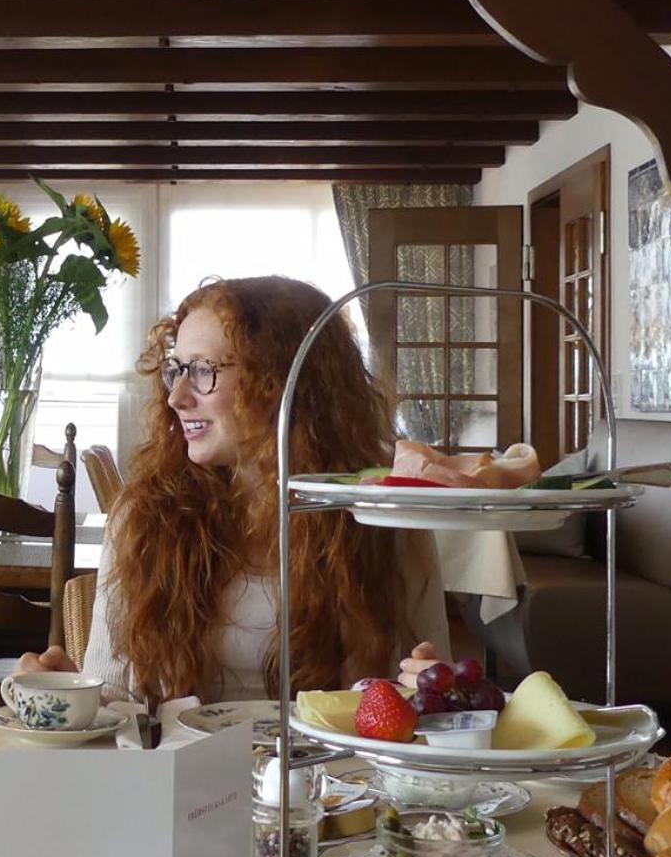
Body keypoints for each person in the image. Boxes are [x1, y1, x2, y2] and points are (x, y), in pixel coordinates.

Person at [22, 275, 449, 702]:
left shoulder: (385, 521)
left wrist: (433, 688)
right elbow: (114, 697)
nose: (176, 398)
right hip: (179, 747)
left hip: (325, 748)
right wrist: (68, 695)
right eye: (176, 370)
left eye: (204, 371)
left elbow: (426, 698)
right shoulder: (145, 516)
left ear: (282, 383)